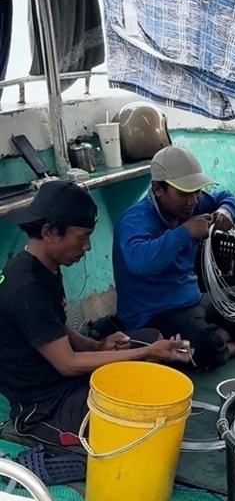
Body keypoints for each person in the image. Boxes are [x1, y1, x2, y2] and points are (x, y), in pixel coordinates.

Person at [0, 181, 191, 446]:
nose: (88, 247)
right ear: (50, 232)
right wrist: (144, 353)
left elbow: (53, 324)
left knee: (151, 336)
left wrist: (97, 345)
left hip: (66, 377)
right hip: (46, 404)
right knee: (140, 411)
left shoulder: (42, 266)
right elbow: (67, 364)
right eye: (82, 237)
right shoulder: (26, 288)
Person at [113, 145, 235, 370]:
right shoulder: (135, 220)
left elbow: (227, 198)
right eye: (184, 193)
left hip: (194, 300)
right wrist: (184, 233)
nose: (193, 200)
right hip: (155, 314)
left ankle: (219, 338)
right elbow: (140, 262)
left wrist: (226, 211)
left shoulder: (192, 204)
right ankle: (234, 347)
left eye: (197, 191)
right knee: (199, 347)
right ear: (158, 190)